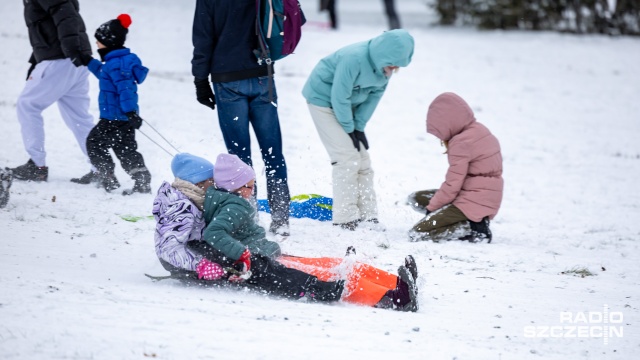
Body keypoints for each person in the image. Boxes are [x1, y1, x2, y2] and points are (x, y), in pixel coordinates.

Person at [152, 153, 419, 311]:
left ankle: (395, 283)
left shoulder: (202, 196)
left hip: (260, 251)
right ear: (198, 182)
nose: (213, 184)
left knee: (331, 265)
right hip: (251, 258)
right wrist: (206, 267)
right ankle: (392, 297)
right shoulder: (188, 204)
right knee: (324, 275)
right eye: (210, 181)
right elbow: (177, 246)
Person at [191, 0, 291, 236]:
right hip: (262, 75)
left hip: (228, 79)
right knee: (273, 153)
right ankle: (281, 219)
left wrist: (200, 80)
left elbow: (203, 38)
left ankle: (248, 216)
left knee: (240, 157)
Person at [302, 29, 414, 230]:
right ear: (383, 54)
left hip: (348, 105)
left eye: (398, 65)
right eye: (392, 63)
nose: (394, 68)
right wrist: (348, 127)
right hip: (323, 101)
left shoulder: (384, 68)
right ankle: (345, 218)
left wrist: (359, 128)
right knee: (346, 158)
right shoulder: (353, 58)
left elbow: (373, 98)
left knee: (363, 160)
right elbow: (339, 96)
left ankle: (368, 215)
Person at [11, 0, 95, 182]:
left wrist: (72, 50)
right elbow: (49, 26)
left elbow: (66, 15)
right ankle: (102, 168)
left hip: (62, 58)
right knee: (78, 116)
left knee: (28, 105)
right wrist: (36, 61)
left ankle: (36, 165)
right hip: (74, 59)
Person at [407, 92, 503, 243]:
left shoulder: (461, 142)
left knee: (417, 233)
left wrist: (431, 210)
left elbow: (453, 184)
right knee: (416, 198)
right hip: (482, 196)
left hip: (472, 201)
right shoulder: (479, 129)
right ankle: (467, 220)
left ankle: (472, 227)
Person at [76, 14, 152, 195]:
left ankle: (107, 176)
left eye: (99, 41)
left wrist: (131, 111)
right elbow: (104, 74)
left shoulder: (117, 65)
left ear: (109, 42)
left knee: (94, 144)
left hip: (113, 118)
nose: (97, 45)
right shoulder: (114, 63)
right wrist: (88, 62)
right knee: (126, 150)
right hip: (122, 119)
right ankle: (141, 181)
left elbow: (126, 90)